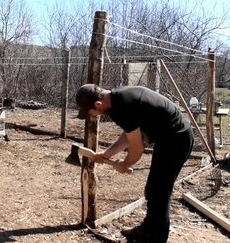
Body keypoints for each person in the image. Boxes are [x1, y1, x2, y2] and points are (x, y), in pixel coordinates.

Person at [76, 84, 194, 243]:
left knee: (160, 190)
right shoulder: (118, 98)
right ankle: (148, 229)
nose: (94, 116)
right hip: (168, 138)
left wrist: (124, 165)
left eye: (92, 113)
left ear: (98, 105)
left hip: (177, 139)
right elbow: (129, 135)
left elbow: (137, 147)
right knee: (153, 188)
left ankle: (157, 237)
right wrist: (107, 154)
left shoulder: (123, 106)